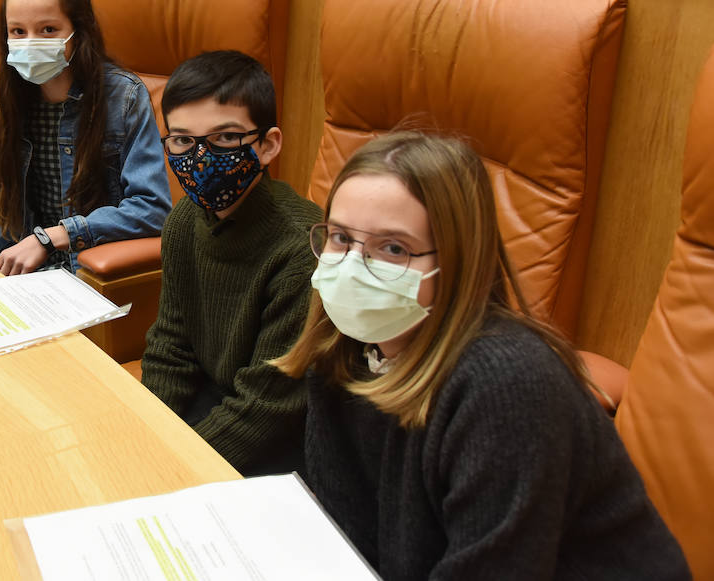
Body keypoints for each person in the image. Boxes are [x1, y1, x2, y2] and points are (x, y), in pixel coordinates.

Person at [274, 131, 691, 580]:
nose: (352, 266)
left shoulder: (507, 384)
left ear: (456, 262)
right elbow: (343, 542)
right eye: (340, 238)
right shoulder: (342, 352)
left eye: (392, 248)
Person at [140, 51, 320, 476]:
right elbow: (171, 345)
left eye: (223, 139)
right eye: (183, 141)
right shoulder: (184, 220)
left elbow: (269, 406)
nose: (200, 157)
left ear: (267, 144)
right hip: (211, 406)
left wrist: (176, 470)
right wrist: (146, 435)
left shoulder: (301, 249)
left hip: (280, 442)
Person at [0, 0, 170, 273]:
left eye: (48, 30)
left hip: (91, 273)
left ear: (78, 31)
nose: (31, 42)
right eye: (18, 31)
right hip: (29, 273)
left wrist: (53, 237)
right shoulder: (9, 111)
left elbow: (152, 209)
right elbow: (9, 219)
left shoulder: (124, 99)